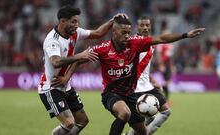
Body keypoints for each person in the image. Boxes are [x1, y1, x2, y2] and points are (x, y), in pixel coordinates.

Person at [54, 16, 205, 135]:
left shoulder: (135, 43)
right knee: (124, 113)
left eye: (128, 32)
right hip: (111, 94)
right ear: (114, 32)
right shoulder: (103, 49)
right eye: (123, 32)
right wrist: (67, 77)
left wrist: (185, 35)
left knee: (142, 131)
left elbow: (161, 39)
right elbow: (80, 59)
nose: (127, 36)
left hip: (130, 95)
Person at [38, 5, 127, 135]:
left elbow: (98, 33)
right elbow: (56, 62)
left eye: (77, 21)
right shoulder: (52, 40)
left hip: (65, 86)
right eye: (73, 21)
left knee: (82, 121)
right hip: (51, 87)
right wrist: (80, 55)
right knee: (69, 123)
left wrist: (113, 20)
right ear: (62, 21)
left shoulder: (75, 33)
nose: (76, 25)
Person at [124, 16, 171, 135]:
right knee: (149, 117)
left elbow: (143, 67)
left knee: (165, 112)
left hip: (147, 86)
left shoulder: (151, 43)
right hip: (135, 88)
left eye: (147, 25)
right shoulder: (132, 42)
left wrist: (153, 80)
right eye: (142, 25)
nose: (145, 27)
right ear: (137, 27)